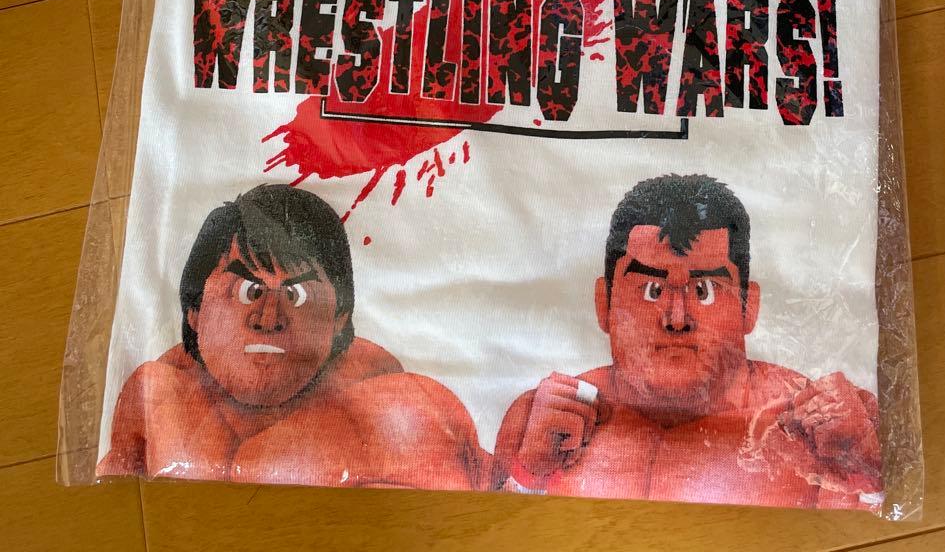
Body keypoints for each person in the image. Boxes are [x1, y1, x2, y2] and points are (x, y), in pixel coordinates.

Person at [493, 174, 882, 508]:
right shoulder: (540, 419)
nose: (677, 319)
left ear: (749, 309)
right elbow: (491, 532)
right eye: (651, 290)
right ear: (604, 304)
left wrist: (867, 471)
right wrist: (527, 476)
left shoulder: (819, 426)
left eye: (704, 290)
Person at [99, 183, 488, 488]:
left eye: (297, 295)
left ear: (339, 320)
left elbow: (485, 487)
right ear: (195, 311)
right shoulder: (158, 391)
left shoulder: (386, 394)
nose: (269, 318)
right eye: (248, 291)